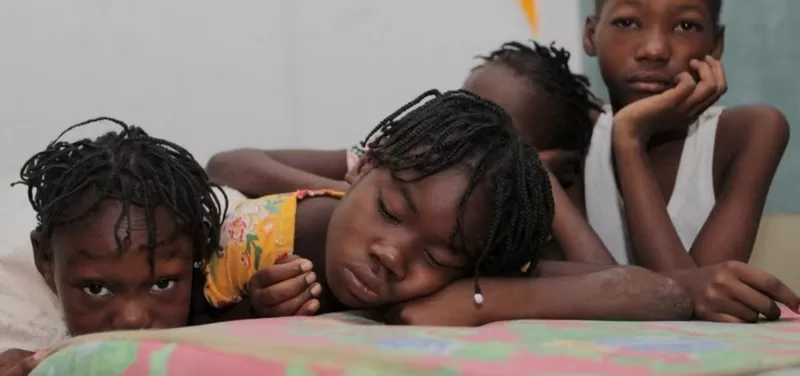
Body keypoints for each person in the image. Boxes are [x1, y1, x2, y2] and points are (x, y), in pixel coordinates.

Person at [205, 89, 702, 326]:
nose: (393, 256)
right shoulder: (257, 231)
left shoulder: (468, 269)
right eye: (391, 210)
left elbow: (650, 291)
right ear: (365, 166)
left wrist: (475, 299)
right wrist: (254, 307)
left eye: (440, 257)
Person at [207, 40, 614, 265]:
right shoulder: (402, 166)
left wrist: (537, 177)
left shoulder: (528, 227)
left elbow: (604, 282)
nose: (467, 130)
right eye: (463, 107)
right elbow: (227, 166)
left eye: (496, 129)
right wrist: (346, 193)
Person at [0, 117, 226, 376]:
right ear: (45, 260)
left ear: (198, 253)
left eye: (162, 284)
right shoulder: (15, 324)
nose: (133, 319)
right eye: (97, 289)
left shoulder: (229, 296)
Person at [580, 0, 789, 274]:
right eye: (627, 22)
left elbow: (695, 302)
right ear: (591, 35)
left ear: (716, 44)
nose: (654, 50)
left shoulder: (751, 132)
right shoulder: (571, 128)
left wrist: (630, 138)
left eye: (685, 26)